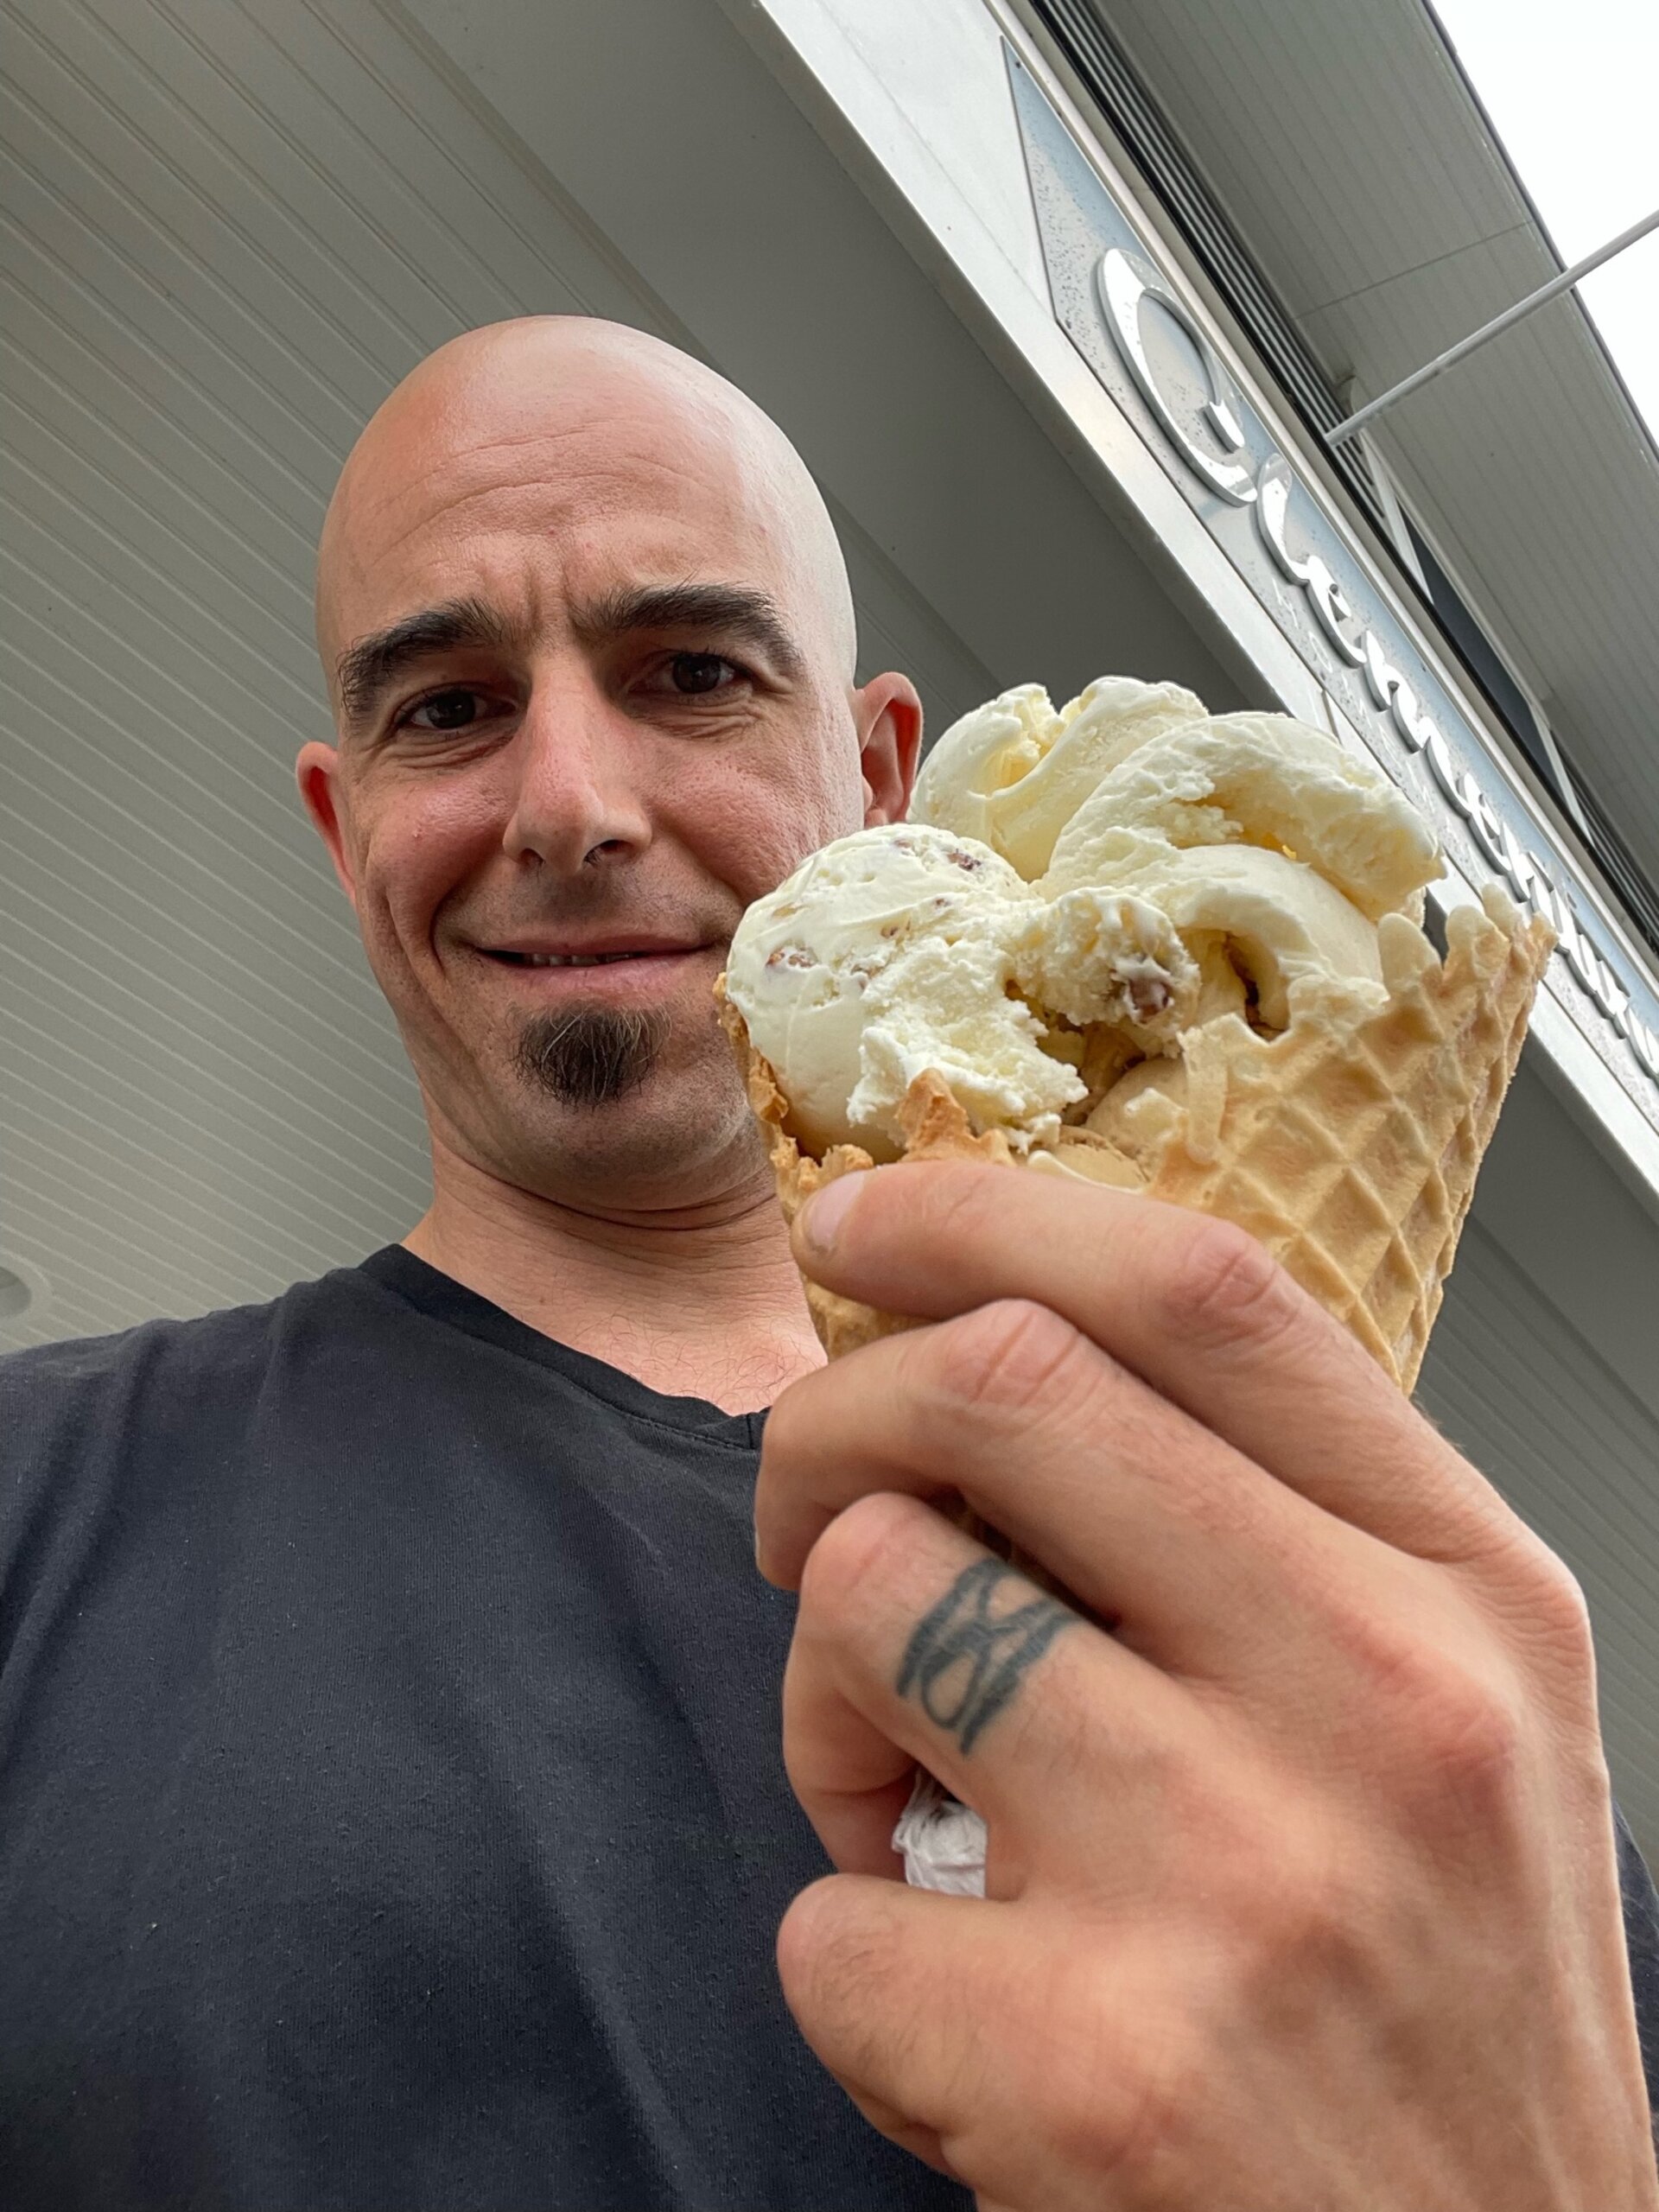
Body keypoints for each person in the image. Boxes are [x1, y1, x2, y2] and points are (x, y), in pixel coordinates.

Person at [0, 316, 1654, 2211]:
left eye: (689, 670)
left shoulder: (1406, 1669)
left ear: (882, 778)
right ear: (341, 819)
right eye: (444, 706)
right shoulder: (36, 1500)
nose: (566, 803)